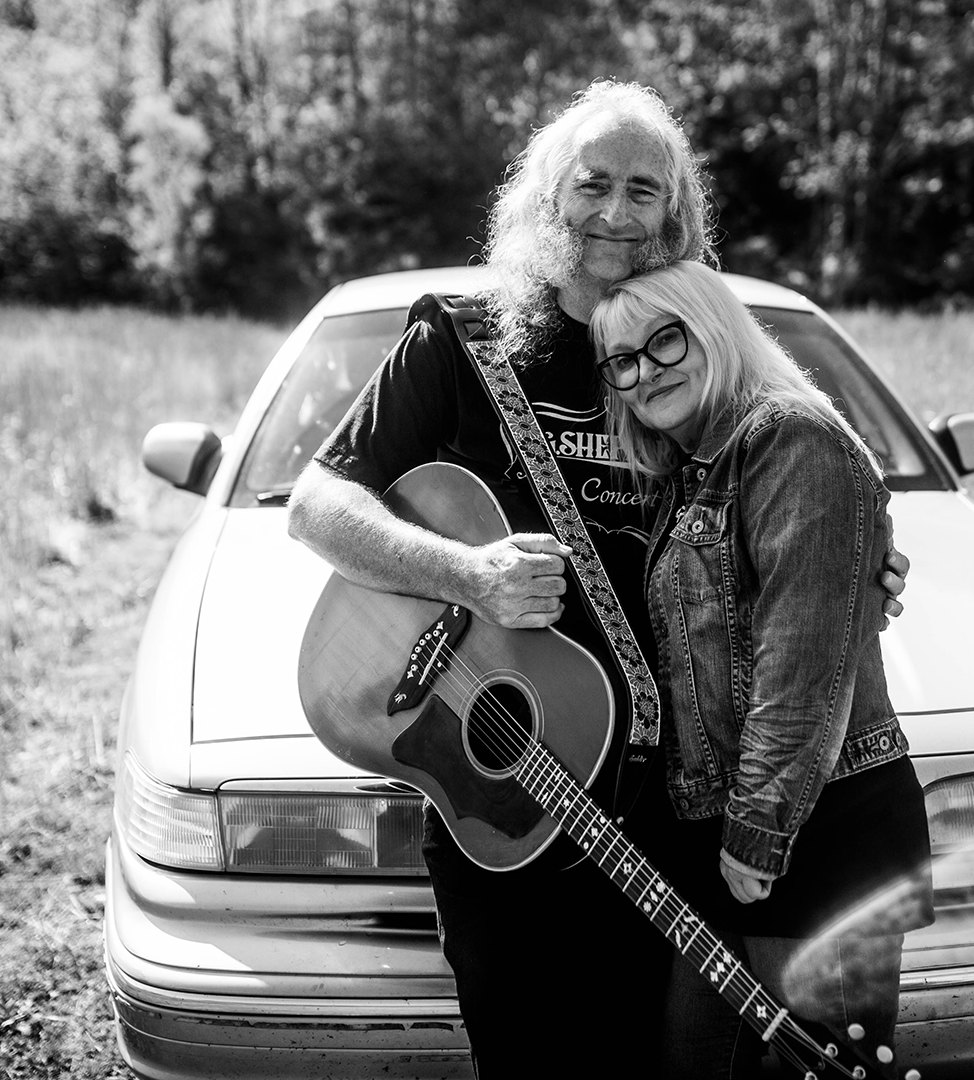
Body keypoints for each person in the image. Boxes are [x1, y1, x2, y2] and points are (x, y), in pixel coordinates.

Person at [286, 80, 906, 1077]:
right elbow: (319, 506)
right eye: (594, 185)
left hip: (669, 806)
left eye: (646, 192)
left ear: (678, 215)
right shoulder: (459, 340)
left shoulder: (695, 354)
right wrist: (468, 573)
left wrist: (850, 564)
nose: (617, 214)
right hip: (501, 794)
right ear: (548, 197)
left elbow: (797, 493)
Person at [590, 260, 934, 1079]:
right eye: (623, 362)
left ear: (713, 326)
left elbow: (800, 667)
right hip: (737, 834)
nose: (644, 374)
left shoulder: (789, 438)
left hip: (812, 835)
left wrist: (757, 833)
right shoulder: (694, 471)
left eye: (664, 338)